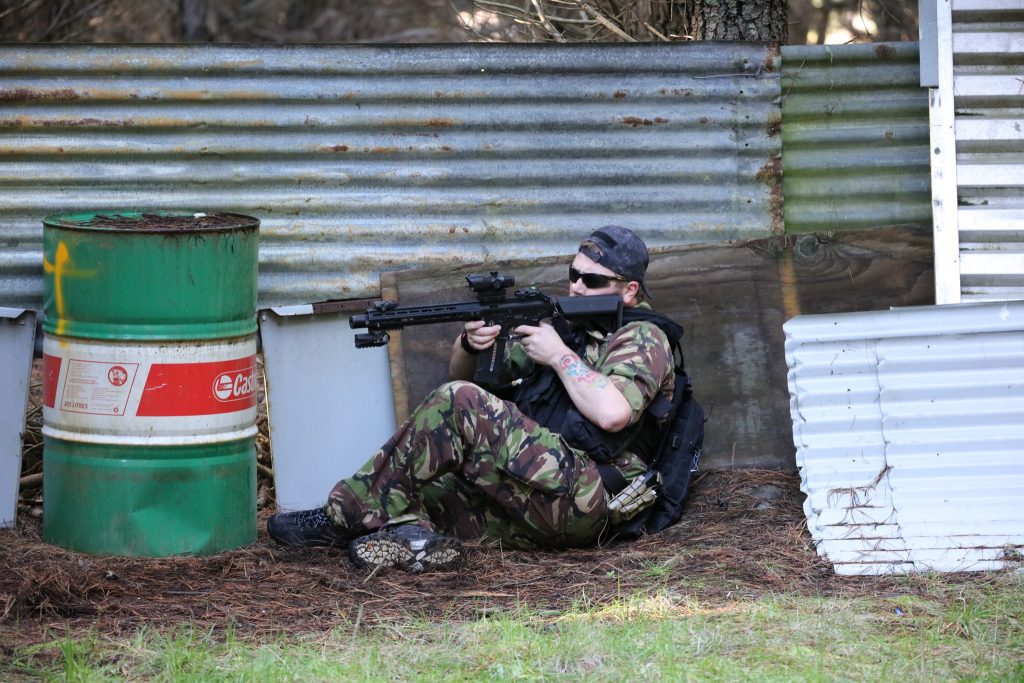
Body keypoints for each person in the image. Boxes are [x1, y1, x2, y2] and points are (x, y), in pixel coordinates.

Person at [266, 226, 678, 573]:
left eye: (591, 281)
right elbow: (464, 377)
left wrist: (559, 355)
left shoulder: (643, 337)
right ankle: (417, 541)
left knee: (459, 402)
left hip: (590, 494)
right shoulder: (571, 328)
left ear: (629, 290)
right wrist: (470, 342)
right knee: (413, 490)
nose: (575, 286)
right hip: (537, 490)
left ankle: (339, 515)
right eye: (573, 274)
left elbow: (613, 414)